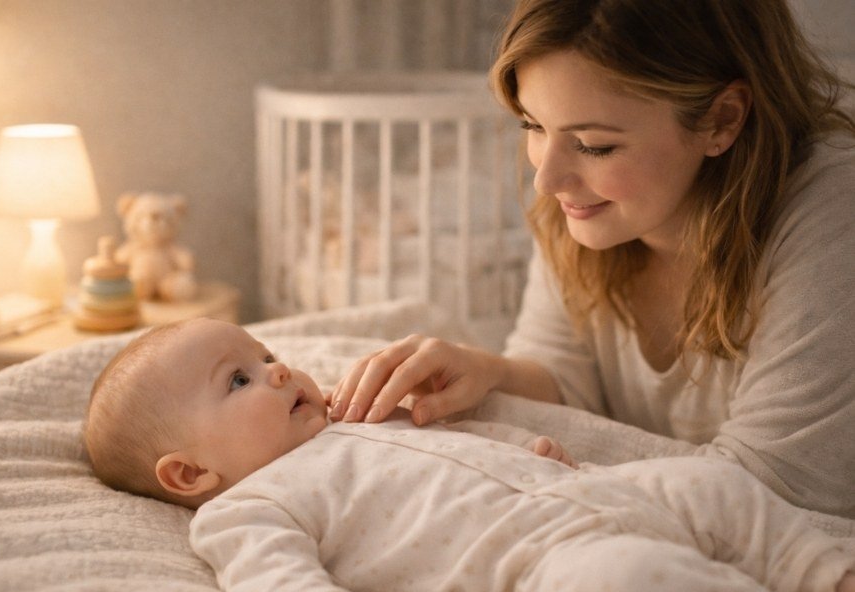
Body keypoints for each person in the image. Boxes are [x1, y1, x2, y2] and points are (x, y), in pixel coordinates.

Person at [327, 0, 855, 519]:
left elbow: (775, 491)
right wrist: (488, 372)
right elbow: (568, 383)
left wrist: (565, 473)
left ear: (722, 119)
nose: (546, 179)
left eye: (594, 145)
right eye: (532, 126)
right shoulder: (586, 206)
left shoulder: (833, 209)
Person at [83, 318, 855, 592]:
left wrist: (530, 447)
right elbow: (263, 570)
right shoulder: (250, 505)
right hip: (537, 567)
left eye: (268, 352)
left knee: (709, 484)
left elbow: (460, 442)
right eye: (241, 378)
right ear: (191, 473)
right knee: (640, 584)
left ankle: (823, 573)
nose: (280, 369)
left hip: (589, 496)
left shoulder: (356, 421)